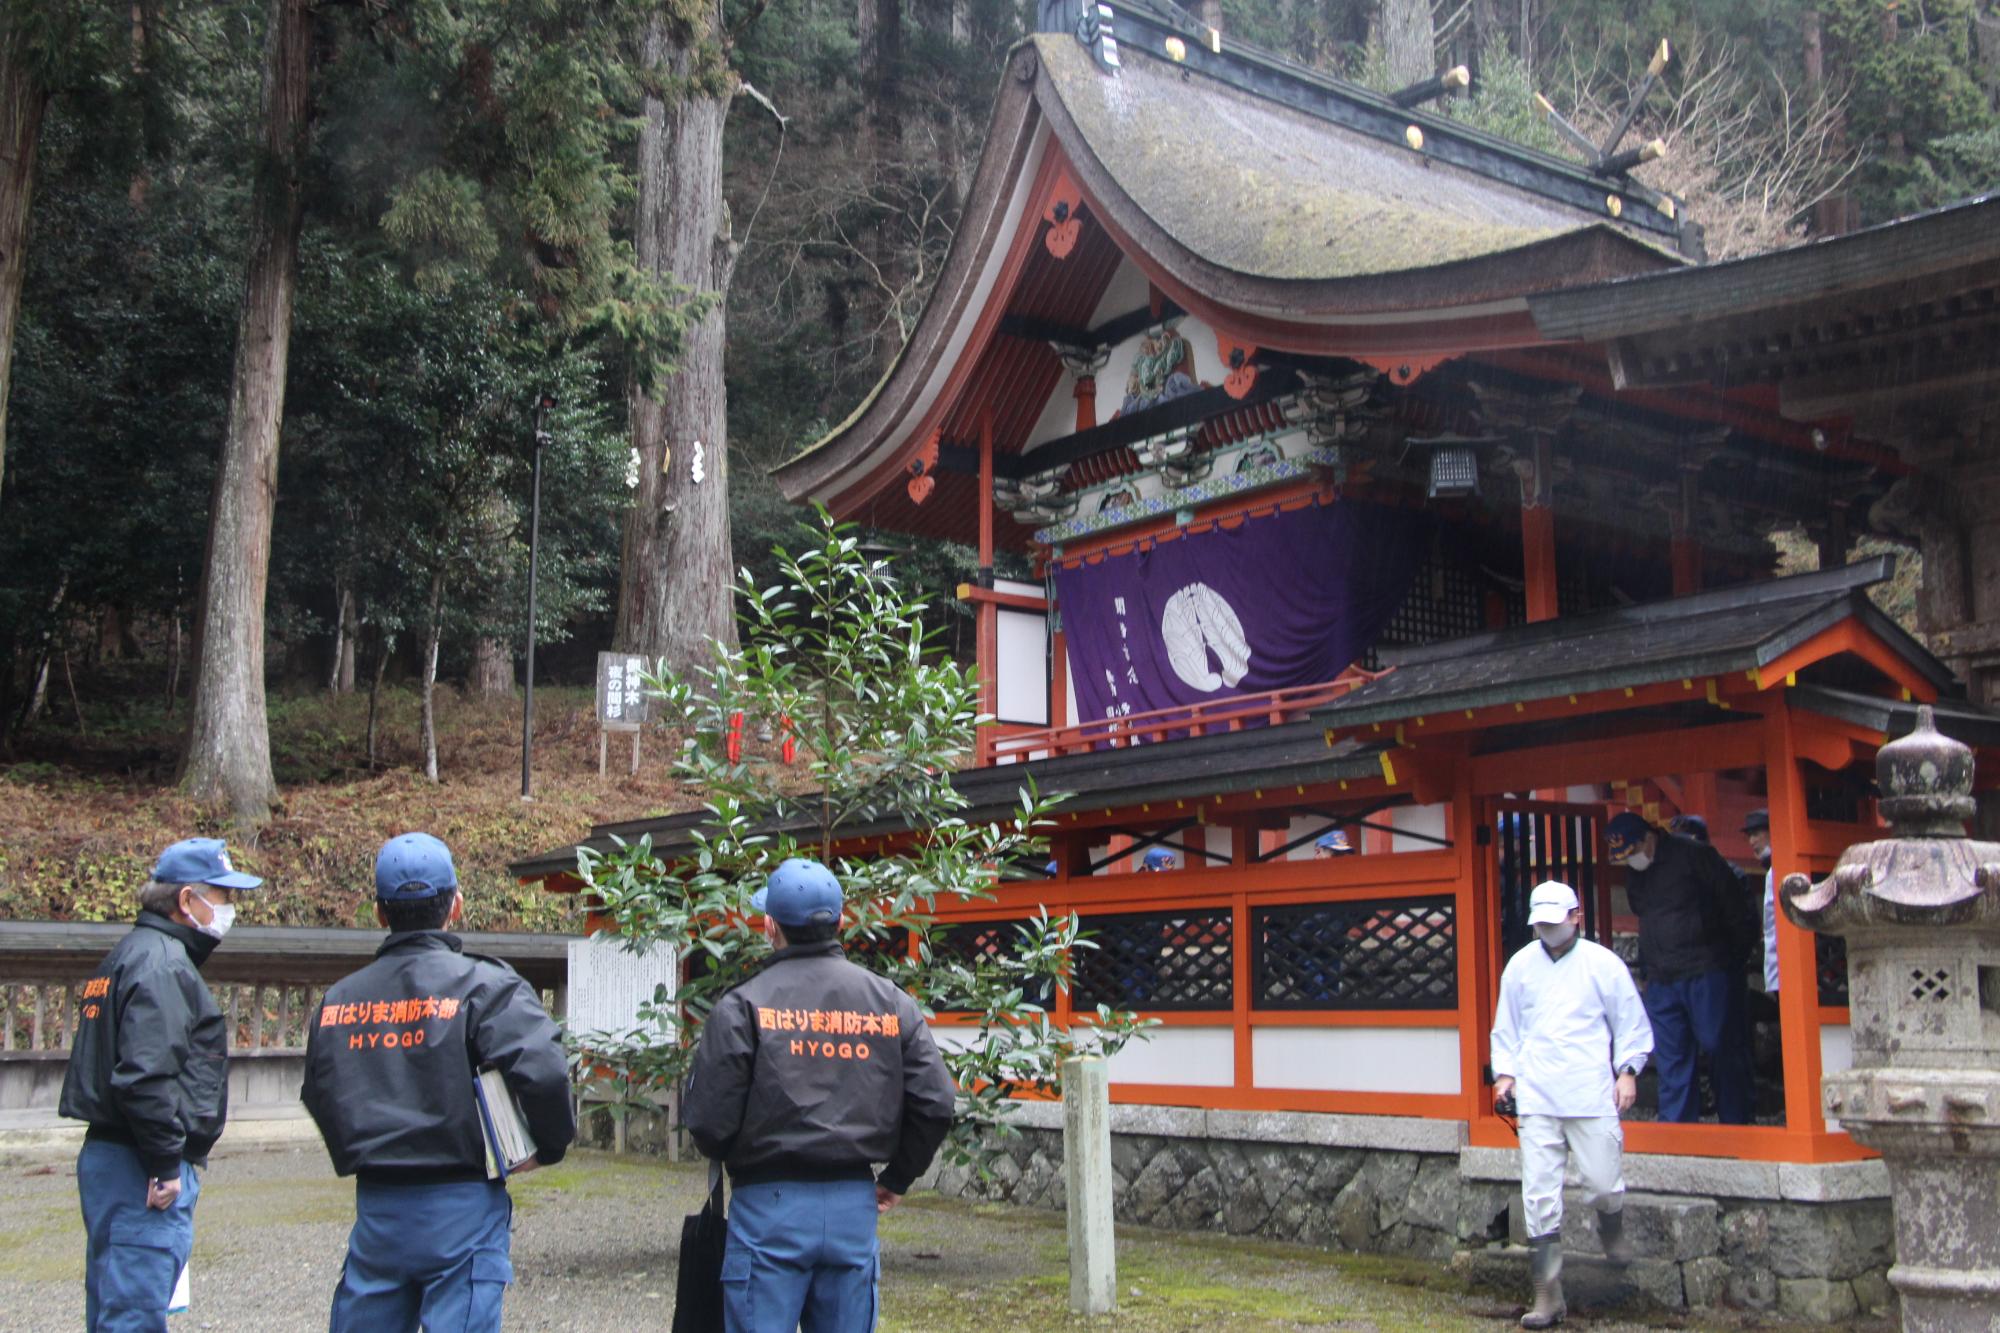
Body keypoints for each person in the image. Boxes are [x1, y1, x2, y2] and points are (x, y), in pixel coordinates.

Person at [301, 832, 574, 1333]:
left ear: (380, 913)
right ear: (456, 906)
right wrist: (545, 1147)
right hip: (463, 1199)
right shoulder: (486, 986)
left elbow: (318, 1089)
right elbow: (545, 1070)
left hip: (378, 1205)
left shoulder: (340, 999)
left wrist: (358, 1150)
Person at [685, 858, 957, 1333]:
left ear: (770, 926)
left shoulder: (742, 1005)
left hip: (768, 1203)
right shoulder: (891, 1002)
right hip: (855, 1202)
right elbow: (936, 1101)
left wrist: (740, 1154)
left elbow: (708, 1121)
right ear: (841, 922)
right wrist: (897, 1176)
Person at [60, 837, 263, 1332]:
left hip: (114, 1157)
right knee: (133, 1312)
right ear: (186, 900)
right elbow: (145, 1078)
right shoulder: (163, 965)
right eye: (221, 896)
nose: (228, 909)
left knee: (114, 1304)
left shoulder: (127, 955)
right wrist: (165, 1164)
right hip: (140, 1165)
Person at [1491, 881, 1653, 1330]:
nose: (1547, 929)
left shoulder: (1604, 965)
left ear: (1575, 916)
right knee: (1540, 1191)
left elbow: (1630, 1022)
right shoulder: (1520, 967)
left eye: (1554, 920)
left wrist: (1627, 1070)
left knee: (1602, 1180)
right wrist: (1506, 1074)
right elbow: (1508, 1027)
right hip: (1538, 1092)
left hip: (1589, 1089)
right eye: (1540, 922)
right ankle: (1547, 1292)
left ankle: (1611, 1226)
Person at [1605, 811, 1755, 1124]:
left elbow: (1733, 905)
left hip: (1707, 969)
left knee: (1721, 1048)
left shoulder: (1695, 856)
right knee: (1671, 1058)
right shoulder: (1637, 873)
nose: (1630, 859)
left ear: (1648, 838)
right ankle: (1676, 1130)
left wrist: (1732, 957)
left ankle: (1737, 1123)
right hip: (1662, 976)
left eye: (1632, 851)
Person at [1743, 809, 1777, 994]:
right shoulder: (1771, 870)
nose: (1752, 841)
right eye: (1750, 836)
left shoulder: (1782, 867)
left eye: (1756, 834)